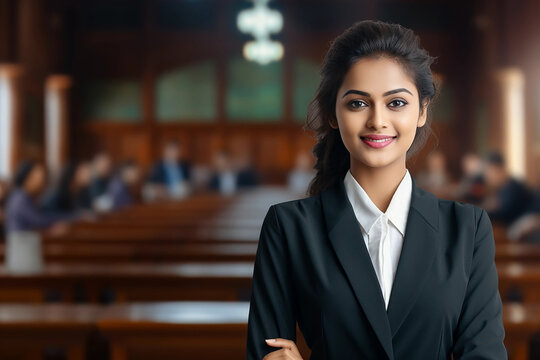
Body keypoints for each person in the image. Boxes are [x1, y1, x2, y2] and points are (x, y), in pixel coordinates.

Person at [246, 20, 506, 359]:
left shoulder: (467, 230)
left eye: (396, 103)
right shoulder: (289, 227)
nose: (377, 121)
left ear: (422, 111)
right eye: (358, 103)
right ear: (333, 115)